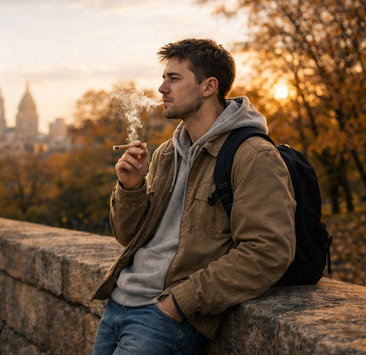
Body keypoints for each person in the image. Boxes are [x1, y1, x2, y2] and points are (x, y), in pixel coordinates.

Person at [91, 38, 296, 354]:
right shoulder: (165, 154)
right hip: (118, 304)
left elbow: (267, 250)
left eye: (173, 78)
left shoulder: (253, 155)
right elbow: (128, 236)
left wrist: (178, 304)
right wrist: (130, 188)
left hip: (164, 319)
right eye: (163, 78)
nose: (161, 89)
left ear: (208, 87)